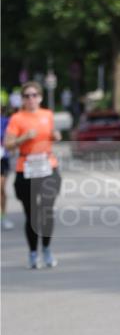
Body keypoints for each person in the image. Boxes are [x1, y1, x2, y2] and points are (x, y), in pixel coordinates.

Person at [5, 81, 62, 269]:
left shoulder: (47, 115)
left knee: (46, 210)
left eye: (34, 95)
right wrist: (24, 137)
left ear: (40, 97)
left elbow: (52, 134)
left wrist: (55, 136)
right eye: (27, 96)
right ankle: (32, 252)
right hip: (26, 167)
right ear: (22, 99)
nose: (31, 99)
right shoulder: (17, 118)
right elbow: (8, 144)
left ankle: (46, 248)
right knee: (32, 214)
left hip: (48, 166)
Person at [1, 101, 14, 230]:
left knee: (1, 188)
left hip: (2, 158)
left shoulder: (6, 122)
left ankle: (3, 216)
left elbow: (10, 139)